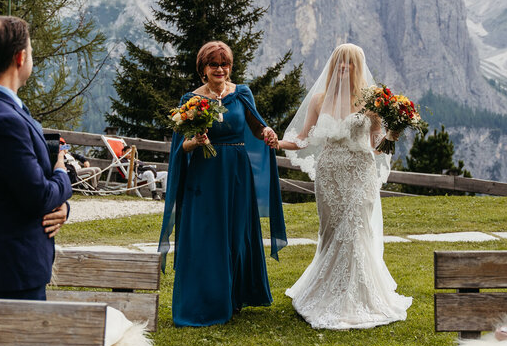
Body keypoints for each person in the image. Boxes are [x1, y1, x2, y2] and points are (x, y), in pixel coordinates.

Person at [277, 43, 412, 329]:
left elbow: (377, 147)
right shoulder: (318, 99)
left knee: (356, 229)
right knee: (332, 231)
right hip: (328, 175)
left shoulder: (373, 102)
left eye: (349, 63)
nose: (343, 67)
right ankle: (327, 291)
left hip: (360, 174)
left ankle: (360, 297)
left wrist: (392, 134)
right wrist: (276, 142)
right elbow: (303, 138)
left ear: (358, 67)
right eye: (339, 62)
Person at [158, 41, 287, 326]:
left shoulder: (242, 93)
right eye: (213, 64)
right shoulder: (190, 100)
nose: (220, 69)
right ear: (203, 68)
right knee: (206, 235)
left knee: (235, 233)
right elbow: (183, 147)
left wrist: (267, 130)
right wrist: (197, 140)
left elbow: (256, 125)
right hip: (205, 175)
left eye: (224, 63)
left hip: (238, 174)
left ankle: (234, 296)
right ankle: (205, 300)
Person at [0, 16, 71, 300]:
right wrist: (62, 173)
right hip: (9, 267)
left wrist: (62, 208)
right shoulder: (2, 119)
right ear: (20, 57)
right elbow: (37, 195)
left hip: (11, 263)